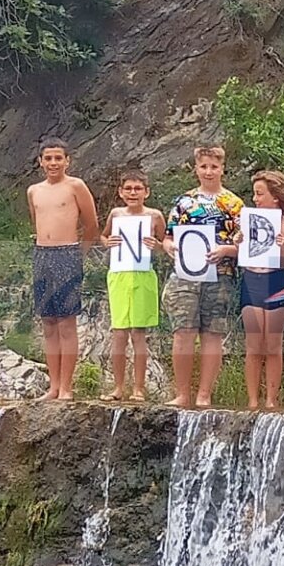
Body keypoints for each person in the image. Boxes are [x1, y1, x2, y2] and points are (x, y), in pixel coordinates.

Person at [162, 144, 242, 409]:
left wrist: (227, 250)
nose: (209, 172)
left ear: (222, 169)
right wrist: (170, 247)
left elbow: (248, 244)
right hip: (185, 274)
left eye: (214, 167)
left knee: (212, 334)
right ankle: (182, 393)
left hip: (220, 274)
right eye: (204, 166)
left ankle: (204, 394)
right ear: (196, 168)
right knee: (182, 331)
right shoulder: (184, 201)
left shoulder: (234, 204)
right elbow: (167, 237)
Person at [27, 139, 99, 402]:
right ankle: (54, 386)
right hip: (42, 254)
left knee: (67, 323)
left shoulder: (75, 186)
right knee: (48, 322)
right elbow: (35, 222)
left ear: (67, 160)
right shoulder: (34, 190)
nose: (53, 163)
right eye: (49, 159)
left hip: (68, 253)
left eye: (58, 158)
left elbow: (91, 225)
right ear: (40, 162)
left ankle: (67, 387)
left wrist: (79, 254)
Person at [100, 169, 166, 403]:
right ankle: (118, 387)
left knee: (139, 333)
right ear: (120, 192)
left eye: (138, 188)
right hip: (119, 274)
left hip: (143, 275)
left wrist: (156, 244)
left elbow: (166, 243)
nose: (133, 193)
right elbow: (104, 236)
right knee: (119, 333)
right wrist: (109, 242)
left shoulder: (155, 216)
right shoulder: (116, 214)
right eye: (128, 188)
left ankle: (139, 388)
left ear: (146, 192)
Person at [239, 171, 284, 410]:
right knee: (254, 345)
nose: (255, 199)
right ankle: (252, 401)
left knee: (273, 345)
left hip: (276, 281)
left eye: (260, 194)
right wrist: (238, 244)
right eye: (254, 194)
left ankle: (272, 400)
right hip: (252, 281)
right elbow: (239, 254)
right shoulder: (248, 221)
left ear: (276, 197)